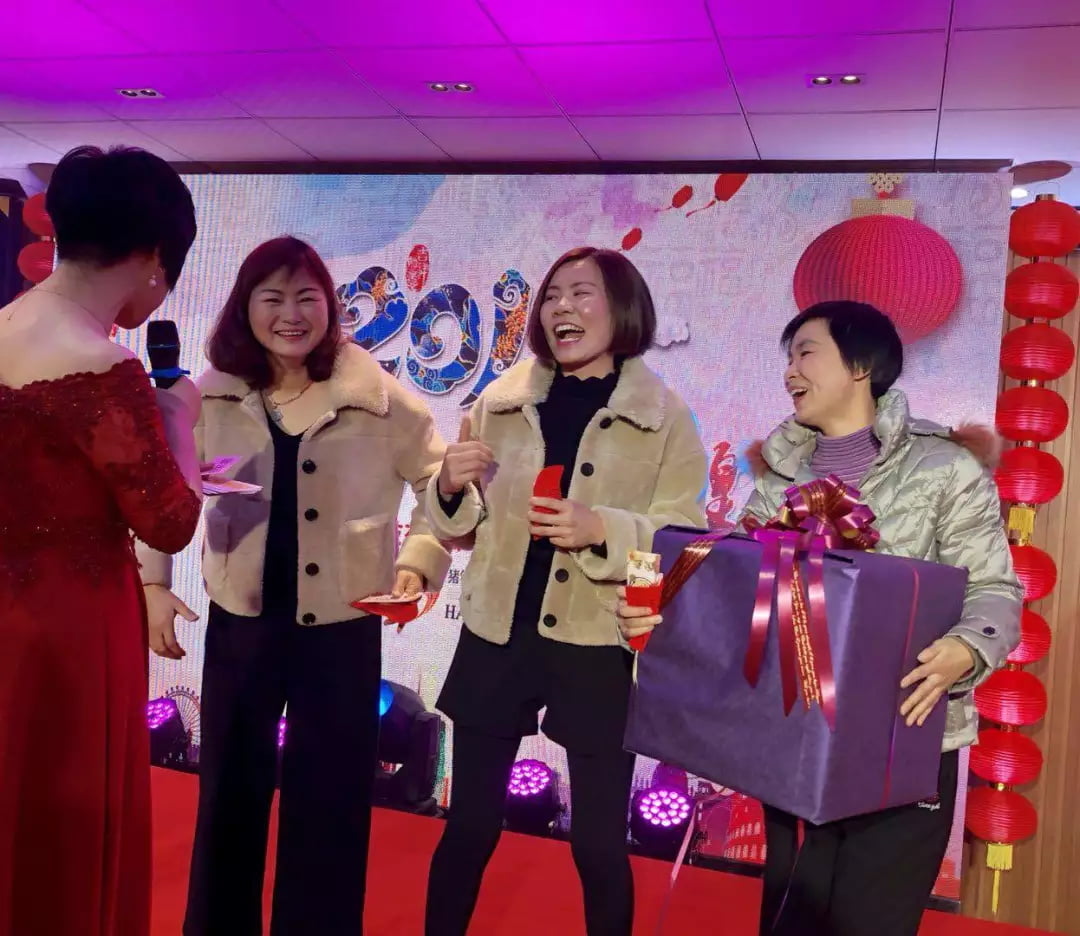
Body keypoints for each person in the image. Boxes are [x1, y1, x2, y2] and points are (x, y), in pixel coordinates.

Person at [619, 300, 1022, 936]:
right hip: (795, 733)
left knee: (872, 919)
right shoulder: (780, 476)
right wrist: (661, 617)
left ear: (861, 366)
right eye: (788, 357)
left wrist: (967, 649)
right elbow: (736, 590)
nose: (790, 371)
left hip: (906, 734)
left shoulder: (945, 467)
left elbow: (995, 588)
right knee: (793, 916)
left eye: (806, 352)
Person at [137, 236, 450, 936]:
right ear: (244, 307)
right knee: (228, 797)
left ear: (330, 308)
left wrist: (421, 559)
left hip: (342, 630)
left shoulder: (375, 397)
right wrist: (154, 583)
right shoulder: (210, 396)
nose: (291, 314)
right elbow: (160, 485)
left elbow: (443, 481)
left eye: (307, 297)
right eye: (272, 297)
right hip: (241, 624)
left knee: (331, 804)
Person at [424, 246, 708, 936]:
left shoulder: (664, 416)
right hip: (497, 631)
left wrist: (603, 528)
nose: (561, 309)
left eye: (581, 294)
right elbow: (460, 527)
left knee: (599, 845)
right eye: (551, 296)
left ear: (623, 308)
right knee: (468, 826)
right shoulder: (500, 400)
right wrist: (448, 487)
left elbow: (686, 542)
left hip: (598, 639)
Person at [0, 145, 202, 936]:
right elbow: (170, 520)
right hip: (74, 629)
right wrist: (180, 421)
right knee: (65, 824)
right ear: (152, 257)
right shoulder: (101, 365)